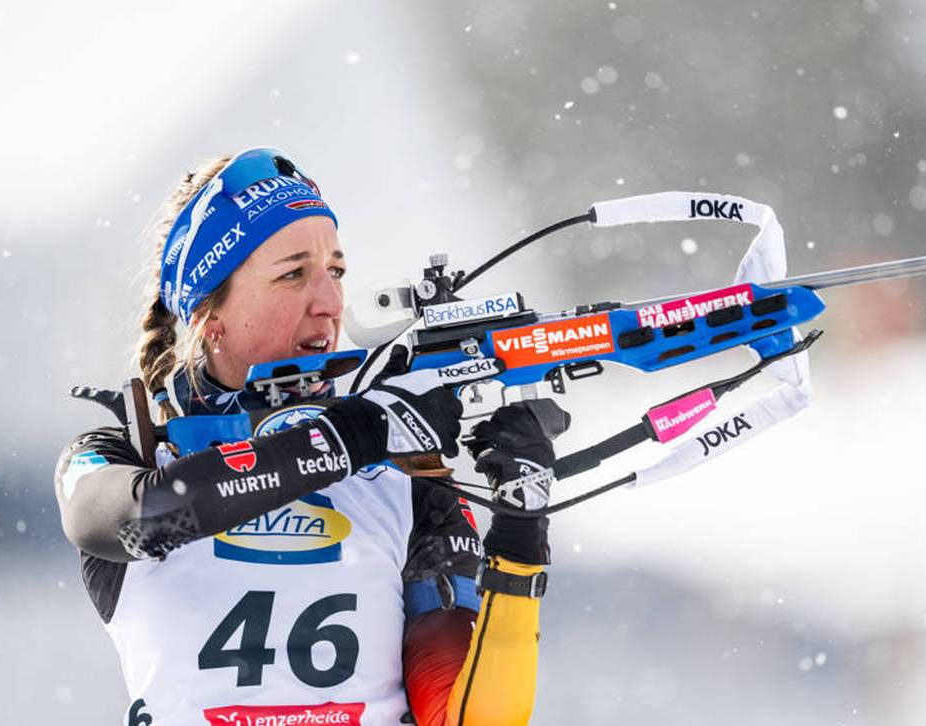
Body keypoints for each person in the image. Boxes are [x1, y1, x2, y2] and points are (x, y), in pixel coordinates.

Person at [54, 147, 567, 726]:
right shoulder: (129, 456)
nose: (329, 304)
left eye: (336, 272)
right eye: (293, 274)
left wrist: (521, 534)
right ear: (208, 315)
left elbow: (471, 719)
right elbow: (139, 521)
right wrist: (358, 433)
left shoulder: (403, 480)